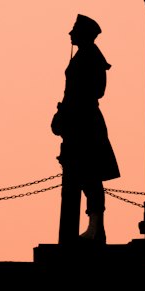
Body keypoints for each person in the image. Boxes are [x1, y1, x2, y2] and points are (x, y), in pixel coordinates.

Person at [51, 14, 120, 242]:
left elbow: (94, 91)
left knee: (89, 174)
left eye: (74, 30)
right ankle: (93, 227)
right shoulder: (86, 56)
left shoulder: (90, 57)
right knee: (82, 174)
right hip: (78, 120)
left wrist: (68, 112)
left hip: (85, 122)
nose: (70, 34)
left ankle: (95, 227)